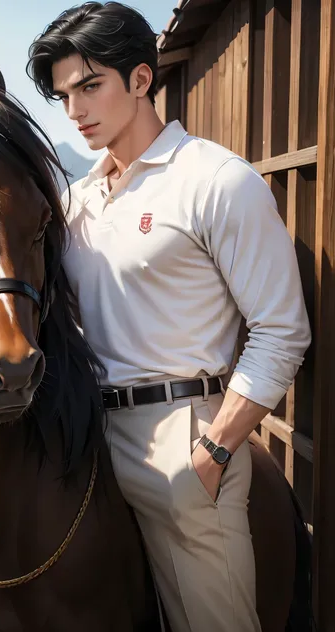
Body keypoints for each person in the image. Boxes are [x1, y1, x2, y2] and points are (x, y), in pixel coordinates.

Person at [27, 3, 311, 631]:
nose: (75, 111)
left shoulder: (215, 181)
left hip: (180, 437)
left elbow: (281, 329)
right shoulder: (76, 201)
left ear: (139, 79)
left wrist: (211, 450)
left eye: (89, 86)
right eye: (63, 95)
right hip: (86, 443)